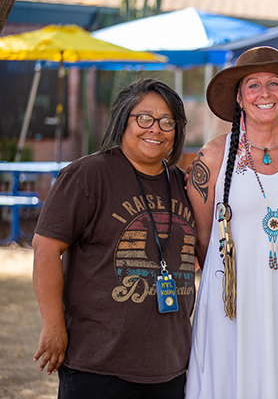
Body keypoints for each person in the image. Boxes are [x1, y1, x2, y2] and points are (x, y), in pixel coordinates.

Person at [32, 78, 196, 399]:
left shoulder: (183, 184)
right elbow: (46, 249)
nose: (156, 129)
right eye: (144, 118)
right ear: (123, 120)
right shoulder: (88, 175)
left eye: (167, 122)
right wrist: (53, 325)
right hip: (98, 363)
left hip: (170, 364)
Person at [184, 46, 278, 399]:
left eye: (274, 83)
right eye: (253, 85)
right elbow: (203, 238)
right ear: (239, 97)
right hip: (232, 299)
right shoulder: (213, 157)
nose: (265, 94)